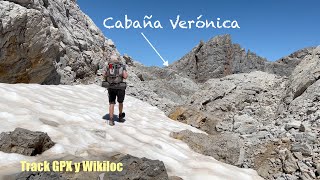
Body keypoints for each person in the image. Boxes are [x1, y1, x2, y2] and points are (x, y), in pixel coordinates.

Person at [103, 55, 128, 126]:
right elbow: (125, 76)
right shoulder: (121, 66)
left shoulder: (109, 66)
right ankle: (120, 116)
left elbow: (104, 75)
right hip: (120, 87)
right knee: (120, 102)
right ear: (118, 59)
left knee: (111, 103)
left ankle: (111, 119)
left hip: (111, 87)